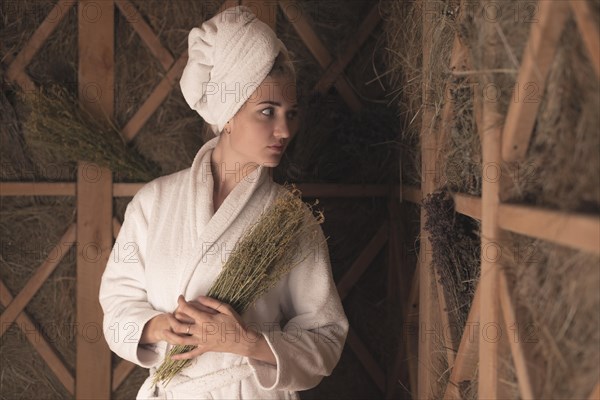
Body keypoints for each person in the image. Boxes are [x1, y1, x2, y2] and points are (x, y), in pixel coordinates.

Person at [99, 5, 349, 399]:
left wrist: (245, 342)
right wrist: (155, 327)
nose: (284, 130)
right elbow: (115, 308)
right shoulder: (153, 204)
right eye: (267, 112)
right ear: (227, 114)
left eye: (291, 113)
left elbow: (326, 338)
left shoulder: (290, 220)